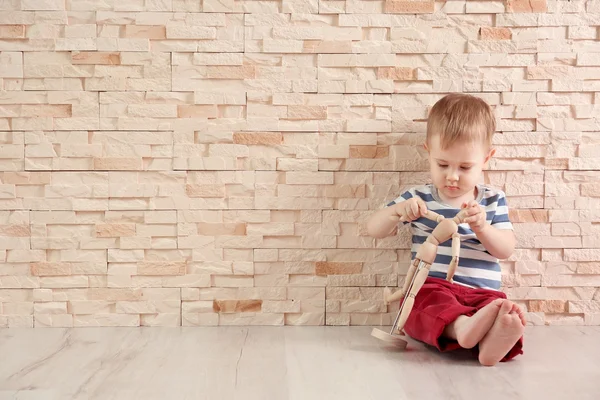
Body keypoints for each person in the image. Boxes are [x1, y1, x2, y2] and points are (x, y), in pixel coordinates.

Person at [366, 93, 525, 366]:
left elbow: (506, 249)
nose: (452, 176)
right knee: (417, 307)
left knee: (502, 311)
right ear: (428, 152)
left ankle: (490, 342)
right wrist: (396, 212)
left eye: (465, 167)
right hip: (433, 287)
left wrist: (483, 227)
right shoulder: (419, 198)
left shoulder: (491, 200)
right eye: (442, 165)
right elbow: (373, 229)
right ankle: (462, 329)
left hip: (482, 294)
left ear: (487, 158)